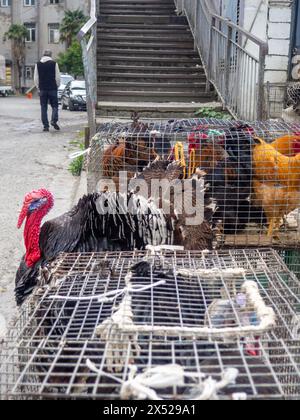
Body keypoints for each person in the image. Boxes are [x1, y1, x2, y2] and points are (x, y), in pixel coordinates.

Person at [34, 50, 61, 132]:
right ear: (50, 55)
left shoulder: (37, 64)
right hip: (52, 88)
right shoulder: (54, 64)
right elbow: (58, 77)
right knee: (55, 106)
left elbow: (36, 77)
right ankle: (53, 120)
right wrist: (57, 85)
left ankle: (46, 126)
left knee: (43, 107)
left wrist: (38, 87)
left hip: (42, 88)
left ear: (43, 55)